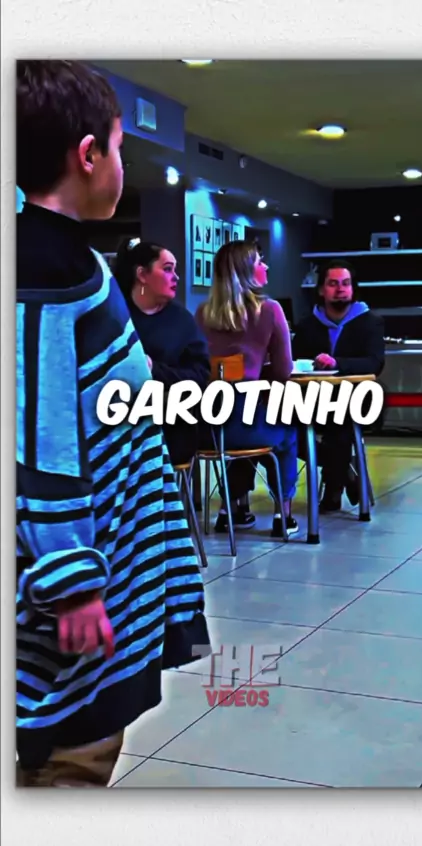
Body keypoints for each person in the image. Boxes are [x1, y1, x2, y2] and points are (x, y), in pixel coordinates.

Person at [16, 60, 210, 788]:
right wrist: (71, 579)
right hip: (76, 583)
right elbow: (37, 443)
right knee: (72, 758)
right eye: (121, 148)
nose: (124, 166)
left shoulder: (73, 260)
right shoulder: (43, 273)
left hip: (116, 558)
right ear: (88, 155)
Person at [196, 240, 299, 537]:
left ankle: (230, 510)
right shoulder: (270, 310)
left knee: (244, 440)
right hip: (245, 419)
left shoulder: (202, 313)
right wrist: (257, 371)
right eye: (259, 261)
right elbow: (284, 371)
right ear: (246, 271)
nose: (265, 266)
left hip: (206, 426)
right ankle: (283, 514)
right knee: (287, 431)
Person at [292, 261, 385, 512]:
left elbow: (374, 363)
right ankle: (346, 470)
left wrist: (337, 363)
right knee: (282, 427)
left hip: (357, 398)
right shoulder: (307, 325)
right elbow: (296, 362)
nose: (340, 289)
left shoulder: (370, 322)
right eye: (333, 284)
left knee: (340, 423)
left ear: (353, 288)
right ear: (321, 289)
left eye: (345, 284)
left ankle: (333, 490)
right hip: (314, 399)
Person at [114, 238, 211, 466]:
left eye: (175, 270)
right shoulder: (115, 316)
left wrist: (154, 369)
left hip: (171, 428)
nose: (176, 277)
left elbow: (200, 374)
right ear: (142, 274)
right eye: (167, 269)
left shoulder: (182, 321)